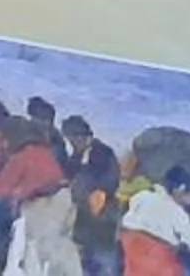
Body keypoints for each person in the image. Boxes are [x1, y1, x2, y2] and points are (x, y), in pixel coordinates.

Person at [0, 119, 83, 276]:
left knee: (32, 253)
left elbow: (0, 188)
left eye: (4, 139)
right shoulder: (44, 153)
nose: (3, 145)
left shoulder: (23, 156)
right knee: (57, 250)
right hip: (62, 202)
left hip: (43, 206)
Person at [119, 171, 190, 276]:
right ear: (180, 189)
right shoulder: (177, 212)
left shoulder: (143, 196)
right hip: (156, 261)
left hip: (129, 253)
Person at [61, 117, 123, 276]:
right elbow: (68, 177)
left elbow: (110, 180)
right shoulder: (76, 156)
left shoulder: (103, 153)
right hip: (83, 217)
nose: (72, 143)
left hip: (102, 217)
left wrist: (98, 194)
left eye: (73, 139)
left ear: (83, 136)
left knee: (103, 260)